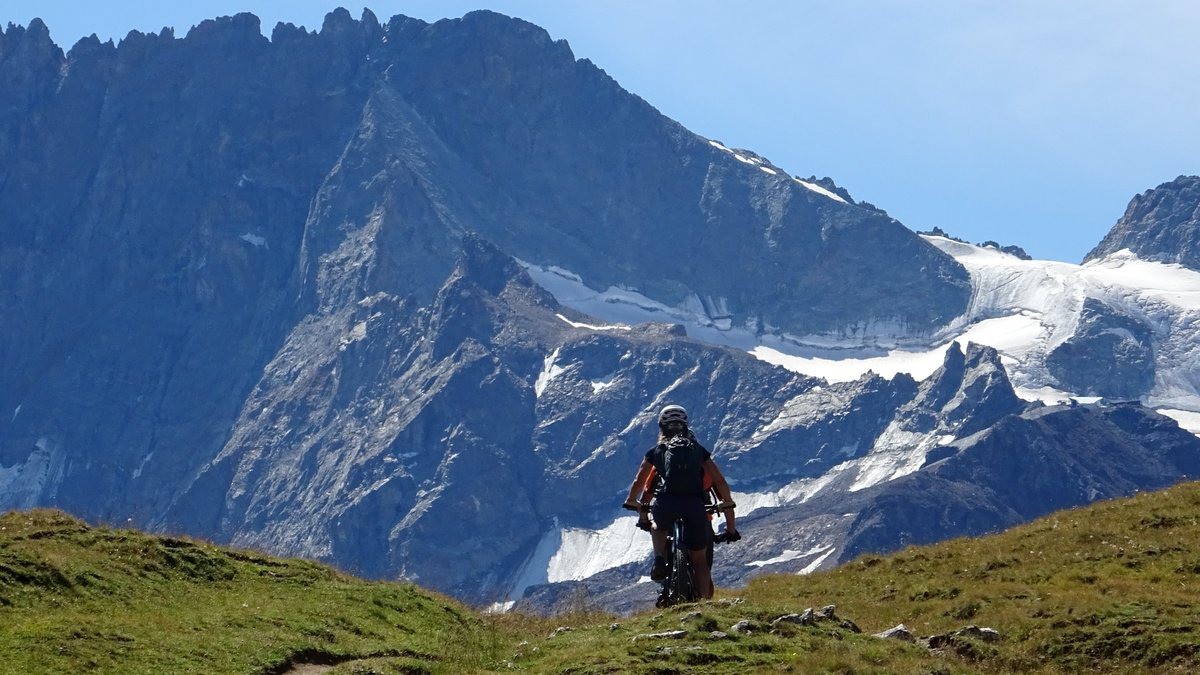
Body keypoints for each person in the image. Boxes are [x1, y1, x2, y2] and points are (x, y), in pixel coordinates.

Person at [623, 404, 738, 600]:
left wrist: (631, 501)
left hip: (666, 502)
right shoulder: (698, 451)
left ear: (661, 426)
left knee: (658, 526)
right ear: (686, 425)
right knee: (700, 561)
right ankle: (704, 603)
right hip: (694, 506)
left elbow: (641, 482)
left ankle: (659, 557)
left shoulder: (657, 451)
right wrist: (729, 515)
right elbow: (719, 481)